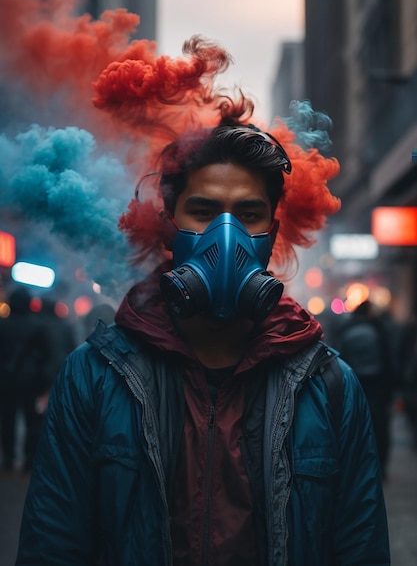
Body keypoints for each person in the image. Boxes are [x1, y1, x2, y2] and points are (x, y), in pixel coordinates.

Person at [16, 72, 390, 563]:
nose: (226, 234)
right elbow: (54, 547)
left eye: (248, 214)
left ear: (271, 230)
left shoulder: (331, 388)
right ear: (170, 224)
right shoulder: (93, 378)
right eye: (204, 210)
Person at [335, 300, 395, 479]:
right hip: (376, 387)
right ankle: (380, 467)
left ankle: (356, 467)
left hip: (353, 384)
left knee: (353, 426)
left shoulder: (346, 329)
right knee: (380, 427)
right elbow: (388, 361)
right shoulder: (378, 329)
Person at [0, 287, 53, 472]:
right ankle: (29, 461)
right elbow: (46, 355)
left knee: (8, 420)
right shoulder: (37, 326)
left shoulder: (3, 324)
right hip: (31, 381)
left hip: (6, 380)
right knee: (32, 421)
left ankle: (8, 458)